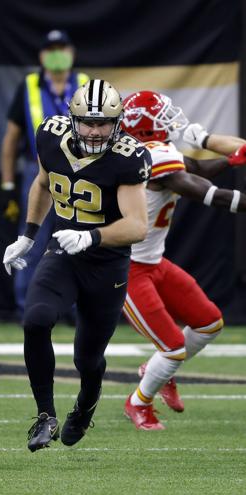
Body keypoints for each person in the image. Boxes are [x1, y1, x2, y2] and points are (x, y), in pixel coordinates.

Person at [3, 80, 152, 451]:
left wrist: (93, 236)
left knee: (87, 358)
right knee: (36, 319)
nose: (96, 130)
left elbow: (137, 224)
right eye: (87, 122)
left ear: (117, 123)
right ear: (73, 119)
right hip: (64, 255)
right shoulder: (50, 136)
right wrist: (29, 235)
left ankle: (85, 406)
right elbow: (41, 183)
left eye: (104, 123)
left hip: (107, 266)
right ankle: (45, 416)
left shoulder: (128, 156)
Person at [120, 90, 246, 430]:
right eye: (161, 115)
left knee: (208, 323)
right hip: (127, 269)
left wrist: (234, 160)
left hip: (154, 262)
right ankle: (138, 403)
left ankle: (156, 371)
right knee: (173, 347)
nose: (169, 119)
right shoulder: (145, 157)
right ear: (144, 127)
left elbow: (199, 168)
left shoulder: (159, 152)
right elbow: (207, 194)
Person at [0, 29, 89, 318]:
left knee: (78, 237)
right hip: (38, 170)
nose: (57, 54)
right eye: (51, 49)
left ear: (72, 53)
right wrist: (7, 184)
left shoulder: (86, 84)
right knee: (32, 236)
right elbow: (11, 139)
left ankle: (77, 309)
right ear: (41, 56)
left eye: (62, 48)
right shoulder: (29, 86)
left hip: (81, 171)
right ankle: (27, 308)